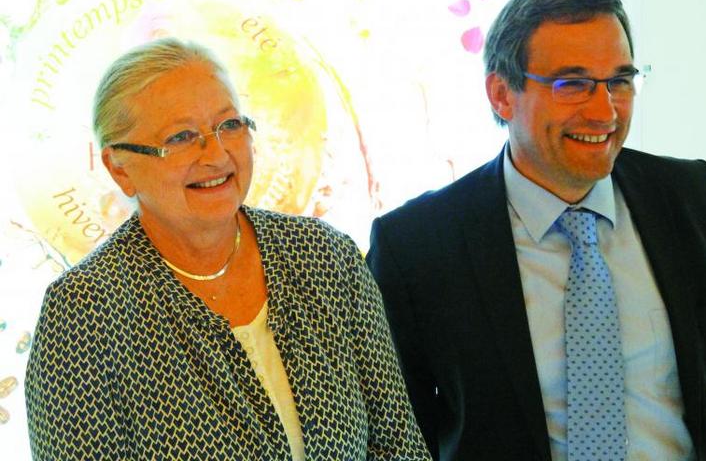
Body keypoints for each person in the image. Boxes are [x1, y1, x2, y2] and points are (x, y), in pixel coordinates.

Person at [367, 0, 706, 460]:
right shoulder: (417, 247)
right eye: (573, 84)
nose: (605, 111)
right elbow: (397, 436)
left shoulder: (690, 196)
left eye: (619, 81)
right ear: (501, 94)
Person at [25, 38, 431, 460]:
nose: (216, 154)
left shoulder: (325, 257)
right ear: (119, 168)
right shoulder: (83, 312)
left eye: (229, 126)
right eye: (181, 137)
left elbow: (398, 444)